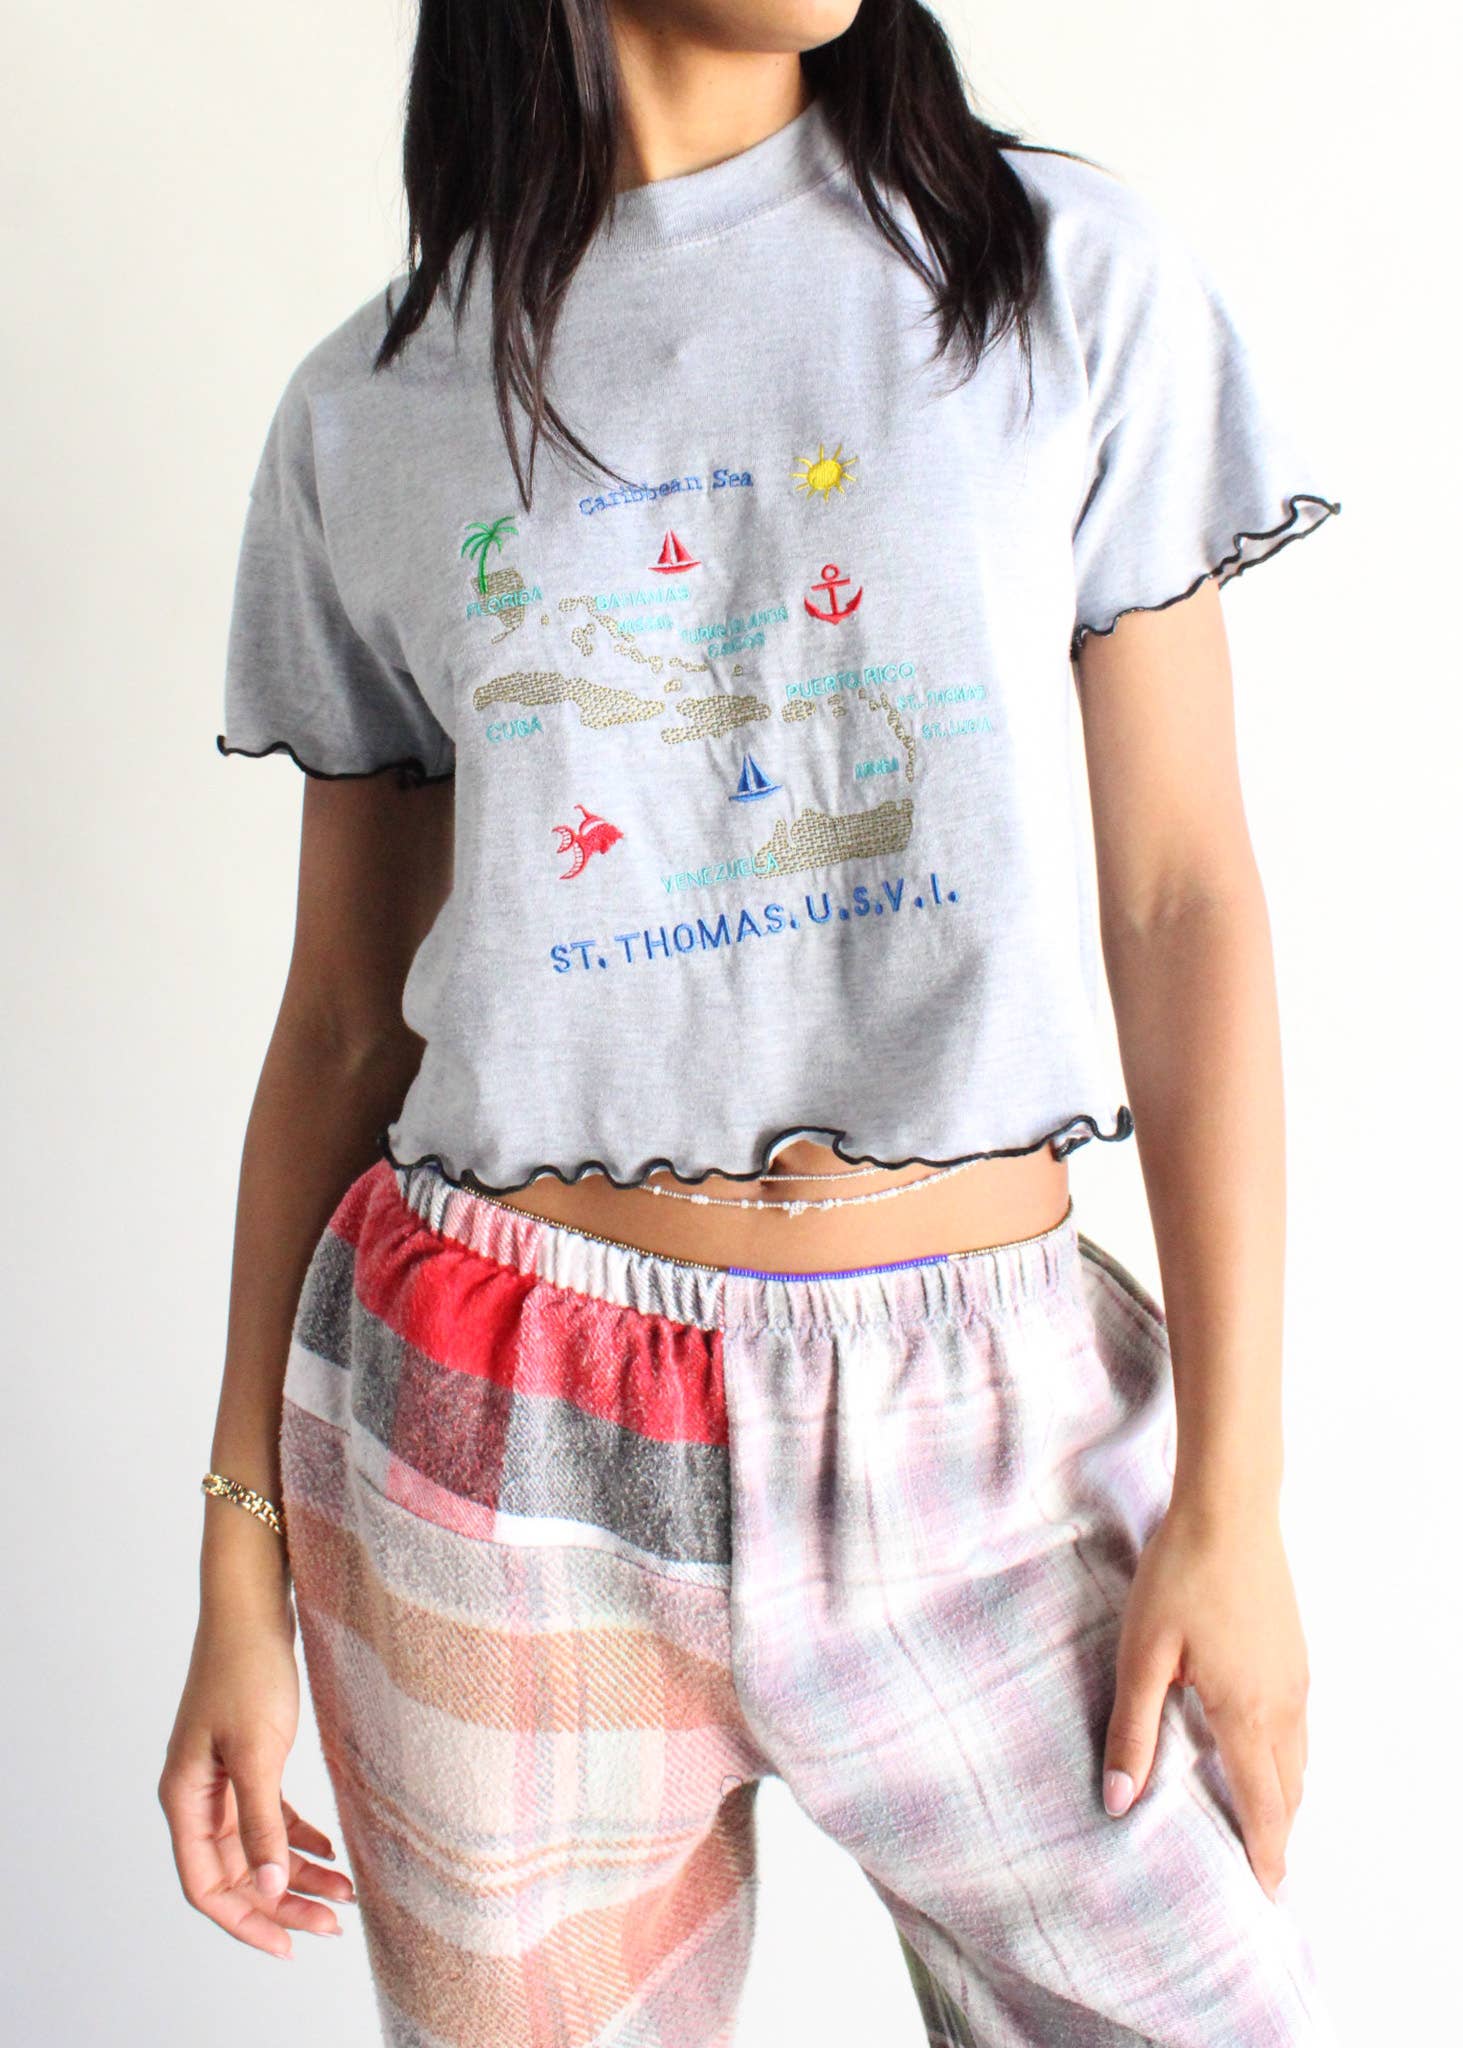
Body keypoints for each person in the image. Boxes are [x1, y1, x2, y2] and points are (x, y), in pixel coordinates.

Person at [157, 2, 1346, 2042]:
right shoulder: (370, 406)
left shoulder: (1058, 275)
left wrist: (1234, 1504)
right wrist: (238, 1560)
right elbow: (341, 1026)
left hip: (983, 1418)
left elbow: (1183, 900)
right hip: (493, 1435)